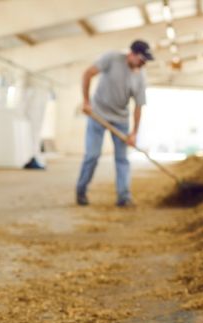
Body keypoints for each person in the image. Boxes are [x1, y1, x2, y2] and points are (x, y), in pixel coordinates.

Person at [76, 39, 152, 207]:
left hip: (120, 120)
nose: (143, 63)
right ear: (131, 54)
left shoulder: (140, 77)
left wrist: (134, 133)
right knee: (92, 156)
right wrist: (86, 101)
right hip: (98, 114)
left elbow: (139, 106)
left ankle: (123, 197)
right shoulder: (111, 59)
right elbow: (88, 73)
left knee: (122, 159)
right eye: (141, 59)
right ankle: (81, 191)